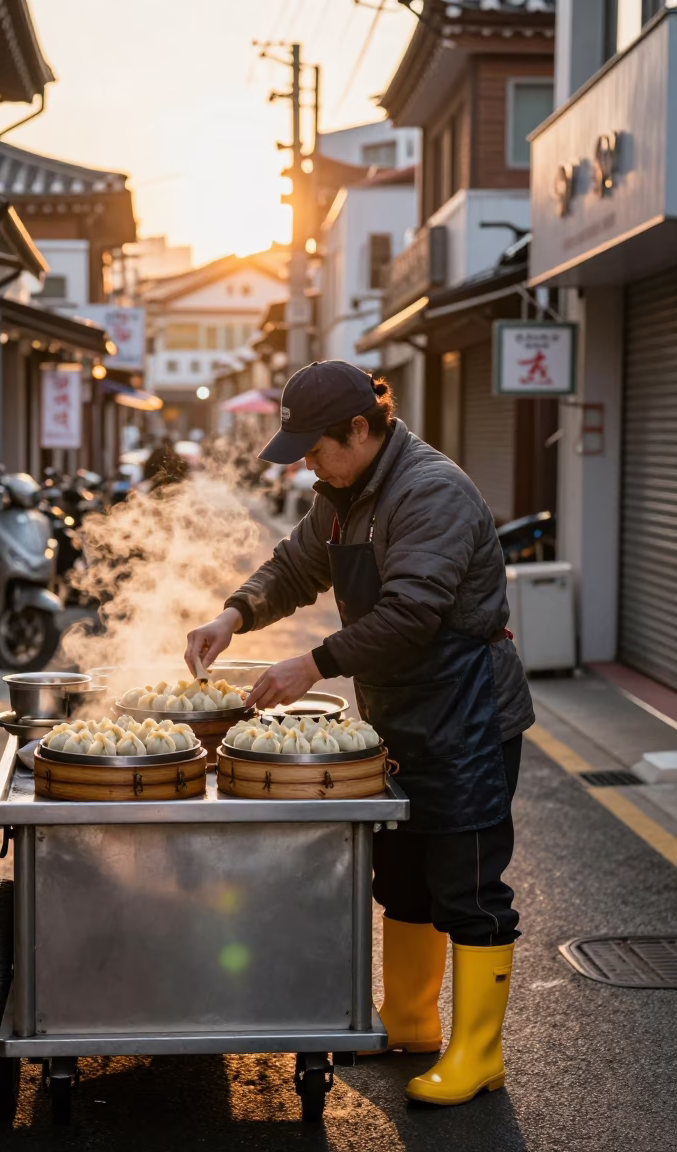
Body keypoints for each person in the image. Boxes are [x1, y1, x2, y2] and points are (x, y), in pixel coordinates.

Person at [185, 360, 534, 1107]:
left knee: (468, 887)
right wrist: (234, 613)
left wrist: (313, 663)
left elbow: (412, 613)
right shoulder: (345, 493)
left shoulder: (429, 490)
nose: (307, 461)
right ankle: (408, 1024)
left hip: (467, 712)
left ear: (360, 429)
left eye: (316, 446)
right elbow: (296, 567)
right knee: (402, 875)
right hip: (398, 713)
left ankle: (479, 1055)